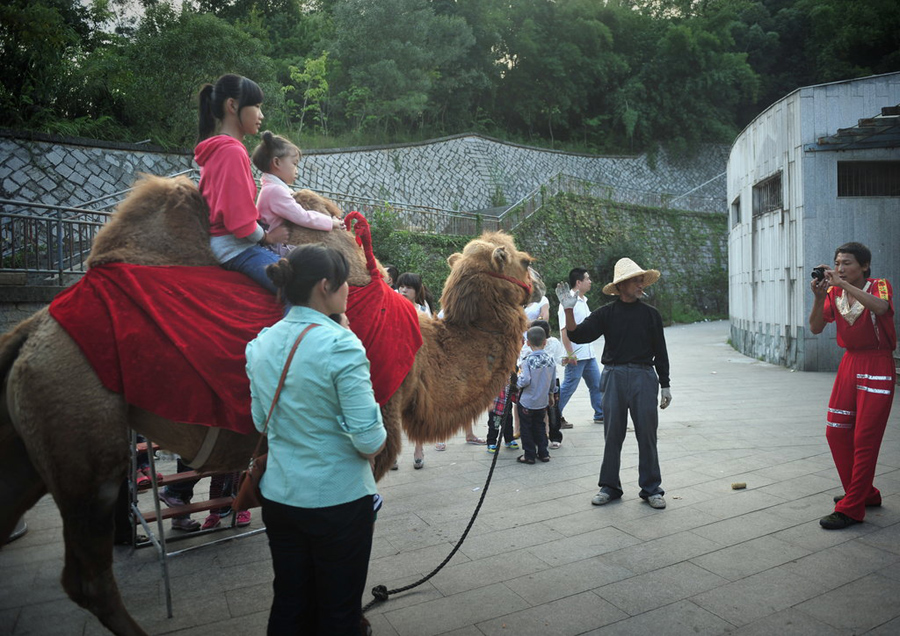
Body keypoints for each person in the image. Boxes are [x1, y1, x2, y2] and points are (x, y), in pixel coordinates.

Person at [245, 243, 386, 634]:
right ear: (326, 286)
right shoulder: (342, 344)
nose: (349, 292)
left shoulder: (260, 344)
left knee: (290, 602)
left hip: (280, 498)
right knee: (339, 612)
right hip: (338, 503)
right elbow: (370, 440)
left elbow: (261, 421)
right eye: (345, 284)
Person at [557, 258, 672, 510]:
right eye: (636, 280)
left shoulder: (651, 315)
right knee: (612, 435)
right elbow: (578, 334)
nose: (641, 284)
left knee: (647, 435)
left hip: (644, 376)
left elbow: (660, 352)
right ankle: (609, 486)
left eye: (642, 279)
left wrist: (665, 384)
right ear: (621, 286)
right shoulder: (606, 314)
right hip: (614, 375)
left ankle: (652, 488)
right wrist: (568, 309)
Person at [809, 242, 895, 530]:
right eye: (837, 263)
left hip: (878, 364)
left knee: (865, 439)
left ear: (864, 267)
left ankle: (852, 506)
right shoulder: (833, 292)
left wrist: (843, 286)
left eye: (847, 263)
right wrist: (818, 296)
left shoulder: (879, 285)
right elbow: (815, 327)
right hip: (849, 364)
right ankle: (864, 493)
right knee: (835, 432)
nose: (840, 268)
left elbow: (881, 308)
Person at [195, 74, 289, 293]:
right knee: (298, 290)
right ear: (232, 105)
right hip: (236, 248)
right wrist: (268, 237)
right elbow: (238, 220)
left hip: (224, 244)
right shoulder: (232, 151)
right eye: (256, 106)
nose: (261, 115)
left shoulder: (218, 149)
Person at [251, 131, 343, 256]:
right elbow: (302, 216)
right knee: (318, 256)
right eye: (294, 164)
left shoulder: (271, 188)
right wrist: (330, 222)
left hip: (275, 244)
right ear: (277, 163)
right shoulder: (275, 191)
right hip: (274, 248)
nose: (297, 171)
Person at [557, 268, 604, 427]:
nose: (590, 281)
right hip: (576, 354)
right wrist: (570, 354)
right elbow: (564, 330)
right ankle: (553, 416)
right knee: (568, 387)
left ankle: (600, 413)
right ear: (578, 282)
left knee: (597, 384)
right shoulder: (568, 301)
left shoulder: (583, 301)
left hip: (588, 353)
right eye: (587, 279)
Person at [516, 326, 559, 464]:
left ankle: (529, 455)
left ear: (527, 343)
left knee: (526, 428)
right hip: (542, 401)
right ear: (545, 342)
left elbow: (525, 380)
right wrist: (551, 394)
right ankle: (544, 453)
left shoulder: (527, 360)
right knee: (540, 426)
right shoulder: (550, 360)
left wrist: (516, 382)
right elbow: (552, 381)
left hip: (527, 402)